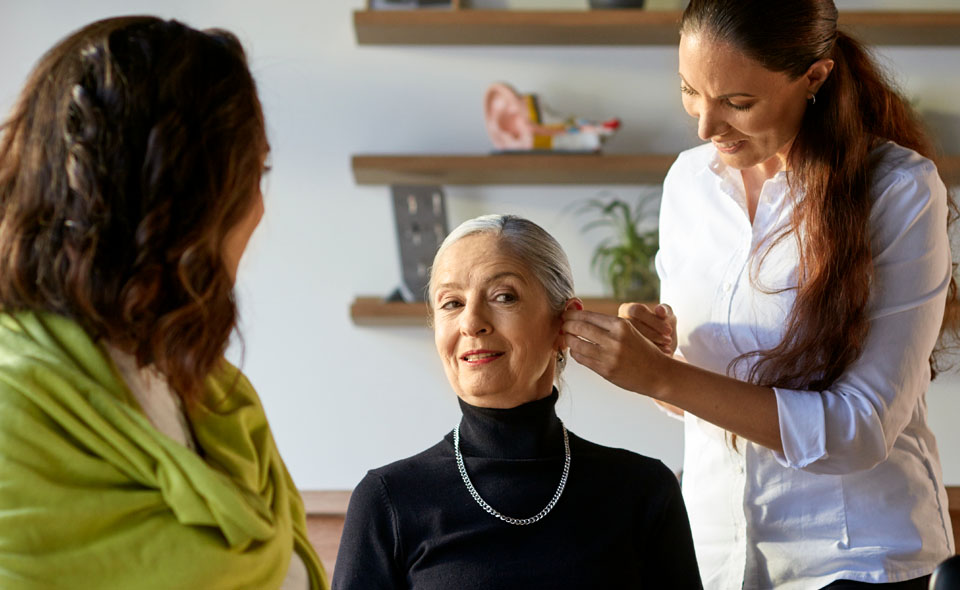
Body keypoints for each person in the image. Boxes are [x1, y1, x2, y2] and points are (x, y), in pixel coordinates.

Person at [562, 1, 957, 589]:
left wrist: (662, 378)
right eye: (689, 90)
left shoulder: (897, 190)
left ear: (814, 78)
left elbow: (861, 428)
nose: (704, 125)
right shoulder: (689, 184)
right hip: (715, 553)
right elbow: (697, 391)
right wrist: (661, 355)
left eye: (738, 103)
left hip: (856, 557)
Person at [0, 17, 328, 590]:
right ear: (193, 203)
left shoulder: (222, 404)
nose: (260, 208)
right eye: (256, 173)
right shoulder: (15, 408)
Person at [332, 214, 702, 589]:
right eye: (451, 303)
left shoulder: (643, 492)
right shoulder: (388, 501)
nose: (471, 322)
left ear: (564, 324)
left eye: (503, 296)